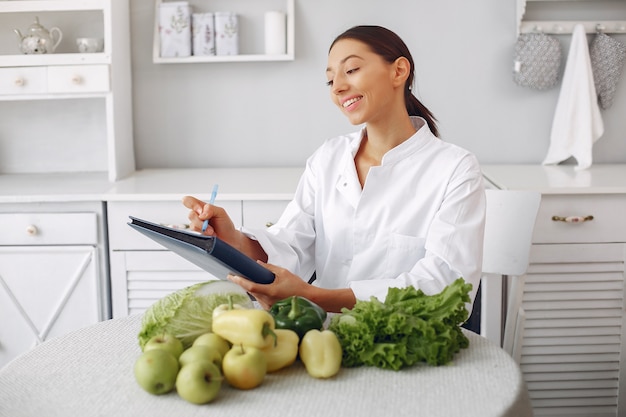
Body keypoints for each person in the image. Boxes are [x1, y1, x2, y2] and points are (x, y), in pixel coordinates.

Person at [183, 25, 485, 314]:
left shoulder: (454, 169)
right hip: (322, 337)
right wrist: (233, 241)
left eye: (351, 70)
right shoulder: (328, 158)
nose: (339, 87)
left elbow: (445, 287)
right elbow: (290, 246)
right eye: (330, 80)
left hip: (408, 348)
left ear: (399, 71)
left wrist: (314, 296)